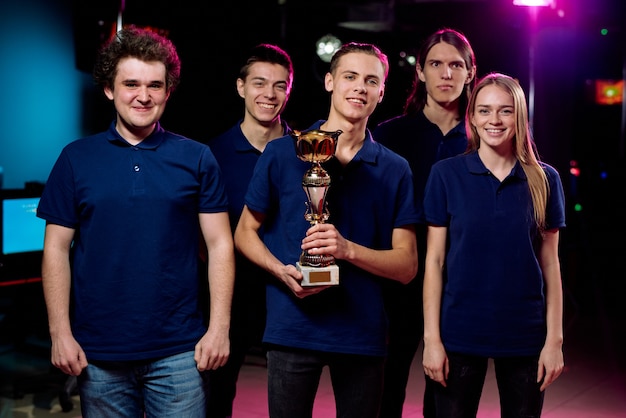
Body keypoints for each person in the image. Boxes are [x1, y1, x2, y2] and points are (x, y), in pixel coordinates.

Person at [36, 26, 235, 417]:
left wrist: (219, 328)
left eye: (154, 85)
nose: (143, 96)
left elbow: (220, 245)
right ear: (109, 89)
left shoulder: (197, 158)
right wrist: (60, 333)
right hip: (99, 351)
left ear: (167, 91)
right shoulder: (76, 159)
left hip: (179, 351)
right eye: (131, 84)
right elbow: (56, 249)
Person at [234, 42, 419, 418]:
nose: (359, 88)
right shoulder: (283, 153)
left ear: (382, 92)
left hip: (362, 333)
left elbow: (407, 266)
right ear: (330, 82)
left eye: (371, 80)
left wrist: (347, 249)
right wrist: (281, 272)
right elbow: (243, 233)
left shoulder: (396, 169)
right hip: (292, 327)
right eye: (350, 77)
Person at [422, 72, 565, 418]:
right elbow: (434, 262)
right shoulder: (445, 174)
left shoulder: (545, 179)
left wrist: (554, 341)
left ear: (519, 117)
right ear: (471, 117)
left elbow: (551, 265)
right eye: (484, 111)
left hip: (525, 334)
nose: (495, 120)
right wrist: (431, 340)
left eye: (505, 111)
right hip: (459, 331)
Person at [372, 27, 476, 418]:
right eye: (436, 64)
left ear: (470, 73)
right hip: (397, 277)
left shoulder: (482, 137)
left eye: (455, 65)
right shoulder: (388, 135)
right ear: (420, 72)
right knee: (385, 383)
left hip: (459, 280)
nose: (445, 74)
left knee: (448, 391)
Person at [206, 43, 294, 418]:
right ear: (241, 87)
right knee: (216, 394)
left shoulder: (306, 150)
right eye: (259, 83)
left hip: (289, 292)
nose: (269, 94)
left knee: (290, 398)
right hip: (232, 294)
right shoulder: (212, 154)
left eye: (279, 85)